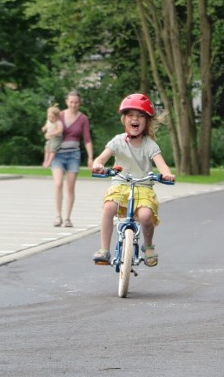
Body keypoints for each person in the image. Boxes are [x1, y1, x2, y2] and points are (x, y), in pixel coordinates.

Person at [91, 93, 175, 266]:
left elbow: (162, 165)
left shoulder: (149, 144)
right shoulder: (117, 141)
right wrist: (98, 165)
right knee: (108, 208)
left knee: (145, 217)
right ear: (124, 119)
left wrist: (167, 174)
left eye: (140, 116)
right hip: (120, 184)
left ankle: (149, 246)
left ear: (146, 122)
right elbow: (100, 159)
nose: (135, 119)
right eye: (130, 115)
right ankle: (104, 250)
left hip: (143, 187)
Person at [51, 90, 93, 228]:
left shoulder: (83, 119)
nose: (73, 105)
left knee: (70, 187)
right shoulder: (59, 115)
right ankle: (58, 216)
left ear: (79, 103)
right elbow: (49, 129)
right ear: (67, 102)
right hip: (58, 154)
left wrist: (90, 158)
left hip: (74, 155)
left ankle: (67, 218)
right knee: (58, 184)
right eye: (71, 102)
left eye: (76, 102)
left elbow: (87, 139)